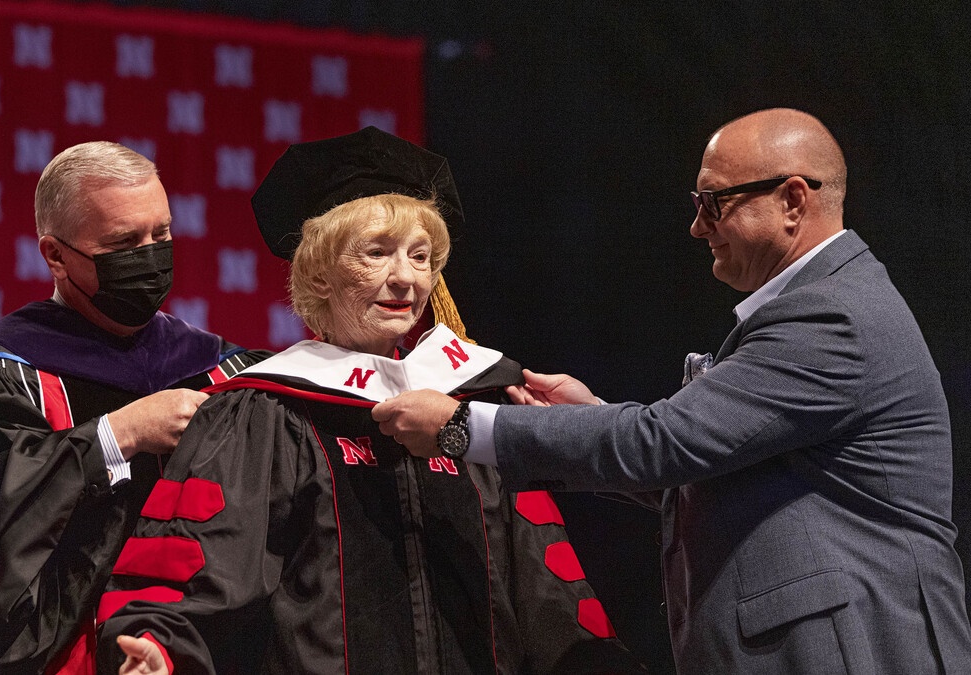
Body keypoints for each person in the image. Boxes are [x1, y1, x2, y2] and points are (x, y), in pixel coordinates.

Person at [373, 109, 971, 673]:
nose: (696, 226)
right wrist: (597, 416)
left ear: (793, 200)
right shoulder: (823, 305)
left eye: (713, 203)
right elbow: (701, 464)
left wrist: (462, 427)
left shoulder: (830, 318)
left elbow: (664, 441)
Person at [95, 127, 644, 674]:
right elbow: (200, 552)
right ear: (319, 274)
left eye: (421, 255)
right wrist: (157, 645)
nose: (405, 278)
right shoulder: (266, 411)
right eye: (376, 253)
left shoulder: (475, 402)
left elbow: (542, 582)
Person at [0, 141, 269, 674]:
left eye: (162, 234)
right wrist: (113, 436)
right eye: (125, 242)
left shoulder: (217, 365)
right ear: (55, 255)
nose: (150, 255)